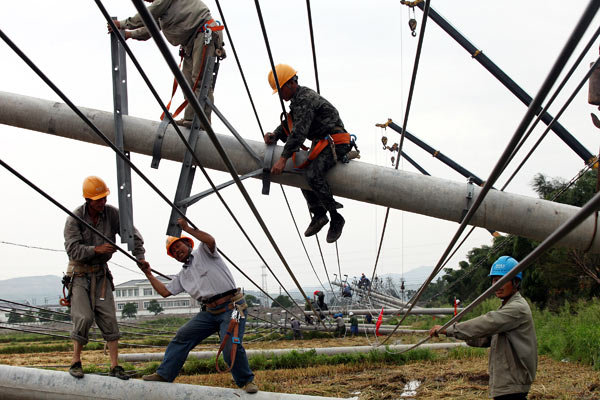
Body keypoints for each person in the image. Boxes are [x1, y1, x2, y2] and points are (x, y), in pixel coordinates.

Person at [138, 218, 258, 394]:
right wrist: (148, 274)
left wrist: (187, 228)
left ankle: (246, 381)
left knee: (230, 346)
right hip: (210, 312)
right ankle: (165, 374)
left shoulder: (205, 252)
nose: (177, 251)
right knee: (182, 336)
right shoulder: (182, 276)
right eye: (173, 251)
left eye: (178, 246)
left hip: (232, 307)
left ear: (187, 243)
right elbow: (165, 291)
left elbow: (210, 240)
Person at [64, 176, 146, 380]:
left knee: (109, 319)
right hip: (80, 274)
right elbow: (73, 250)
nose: (102, 202)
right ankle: (75, 361)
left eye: (104, 198)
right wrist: (97, 249)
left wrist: (140, 257)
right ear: (88, 199)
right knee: (83, 317)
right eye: (98, 199)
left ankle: (115, 366)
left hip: (101, 275)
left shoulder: (112, 214)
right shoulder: (74, 219)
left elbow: (132, 234)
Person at [264, 64, 353, 243]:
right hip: (324, 143)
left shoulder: (305, 99)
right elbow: (291, 124)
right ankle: (319, 214)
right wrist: (275, 135)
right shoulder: (298, 102)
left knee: (313, 173)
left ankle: (336, 217)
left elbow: (299, 132)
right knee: (301, 170)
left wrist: (282, 160)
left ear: (290, 84)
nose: (280, 95)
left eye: (280, 90)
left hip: (336, 142)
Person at [429, 256, 537, 400]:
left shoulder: (517, 308)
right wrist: (464, 335)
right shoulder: (507, 306)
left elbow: (486, 323)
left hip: (513, 381)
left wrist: (449, 329)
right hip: (507, 381)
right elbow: (486, 338)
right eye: (494, 280)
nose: (497, 285)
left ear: (516, 282)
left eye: (502, 280)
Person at [111, 0, 226, 128]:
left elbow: (148, 13)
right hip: (191, 42)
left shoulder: (162, 2)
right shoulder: (163, 9)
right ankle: (191, 118)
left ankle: (201, 120)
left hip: (204, 32)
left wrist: (122, 24)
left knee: (199, 80)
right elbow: (151, 28)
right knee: (187, 83)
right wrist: (129, 34)